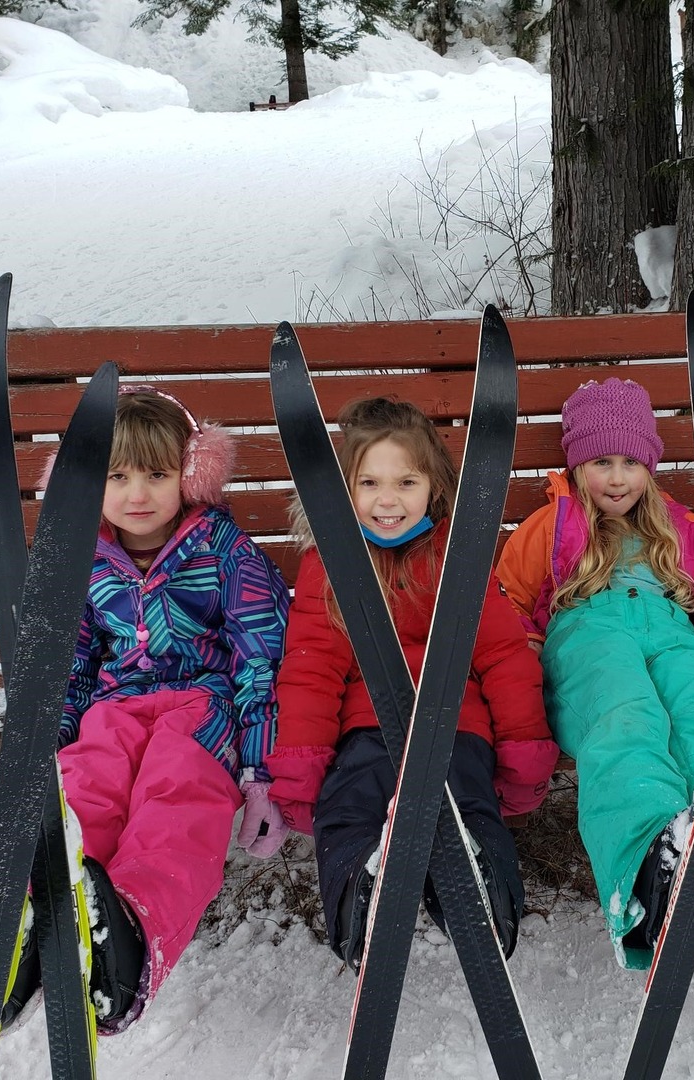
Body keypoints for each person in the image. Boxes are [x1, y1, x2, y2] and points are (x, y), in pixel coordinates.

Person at [0, 387, 290, 1033]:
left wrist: (260, 775)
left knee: (175, 802)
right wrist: (30, 758)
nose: (137, 494)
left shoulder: (228, 554)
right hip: (113, 709)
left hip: (203, 713)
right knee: (81, 793)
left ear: (190, 475)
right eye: (116, 476)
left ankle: (129, 932)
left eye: (156, 474)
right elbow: (63, 670)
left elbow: (260, 661)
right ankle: (6, 928)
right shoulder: (83, 561)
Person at [496, 377, 694, 983]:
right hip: (588, 639)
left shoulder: (683, 528)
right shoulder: (550, 525)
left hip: (676, 636)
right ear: (577, 463)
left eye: (629, 462)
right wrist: (520, 669)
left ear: (650, 464)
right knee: (627, 718)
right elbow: (507, 607)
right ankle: (649, 861)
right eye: (600, 462)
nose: (616, 477)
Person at [266, 397, 559, 969]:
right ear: (344, 491)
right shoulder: (331, 564)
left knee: (467, 803)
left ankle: (480, 892)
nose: (387, 499)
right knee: (349, 807)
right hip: (367, 727)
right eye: (369, 482)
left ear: (434, 486)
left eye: (406, 481)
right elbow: (311, 669)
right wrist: (302, 770)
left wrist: (524, 748)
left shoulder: (460, 556)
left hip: (456, 722)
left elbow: (503, 654)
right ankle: (362, 892)